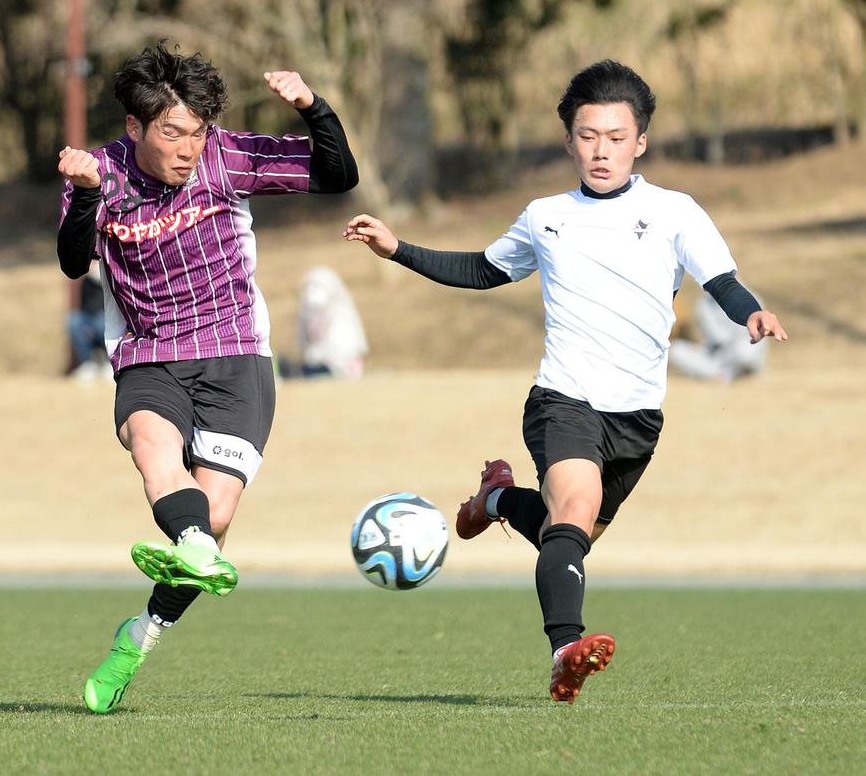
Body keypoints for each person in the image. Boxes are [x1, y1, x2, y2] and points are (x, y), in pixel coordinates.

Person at [344, 60, 786, 704]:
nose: (600, 150)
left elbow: (719, 280)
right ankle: (565, 650)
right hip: (564, 399)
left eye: (614, 136)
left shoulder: (675, 212)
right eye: (587, 135)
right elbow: (483, 271)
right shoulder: (545, 215)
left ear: (640, 141)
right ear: (569, 140)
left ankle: (496, 500)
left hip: (637, 418)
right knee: (572, 512)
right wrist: (398, 249)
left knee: (568, 538)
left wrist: (752, 311)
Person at [57, 41, 358, 713]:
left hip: (236, 355)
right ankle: (192, 542)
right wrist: (82, 197)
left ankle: (138, 635)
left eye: (195, 132)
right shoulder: (100, 171)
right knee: (154, 452)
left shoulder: (228, 156)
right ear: (134, 127)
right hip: (150, 353)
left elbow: (338, 175)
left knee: (215, 516)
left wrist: (313, 107)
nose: (188, 148)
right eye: (172, 133)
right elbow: (74, 263)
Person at [670, 290, 768, 382]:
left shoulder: (749, 297)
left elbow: (756, 337)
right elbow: (714, 339)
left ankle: (723, 375)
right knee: (676, 350)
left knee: (744, 351)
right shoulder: (704, 304)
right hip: (718, 357)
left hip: (740, 352)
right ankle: (722, 375)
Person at [294, 265, 367, 379]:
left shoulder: (341, 313)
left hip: (337, 366)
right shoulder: (307, 313)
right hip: (315, 365)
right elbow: (304, 343)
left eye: (317, 287)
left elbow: (341, 349)